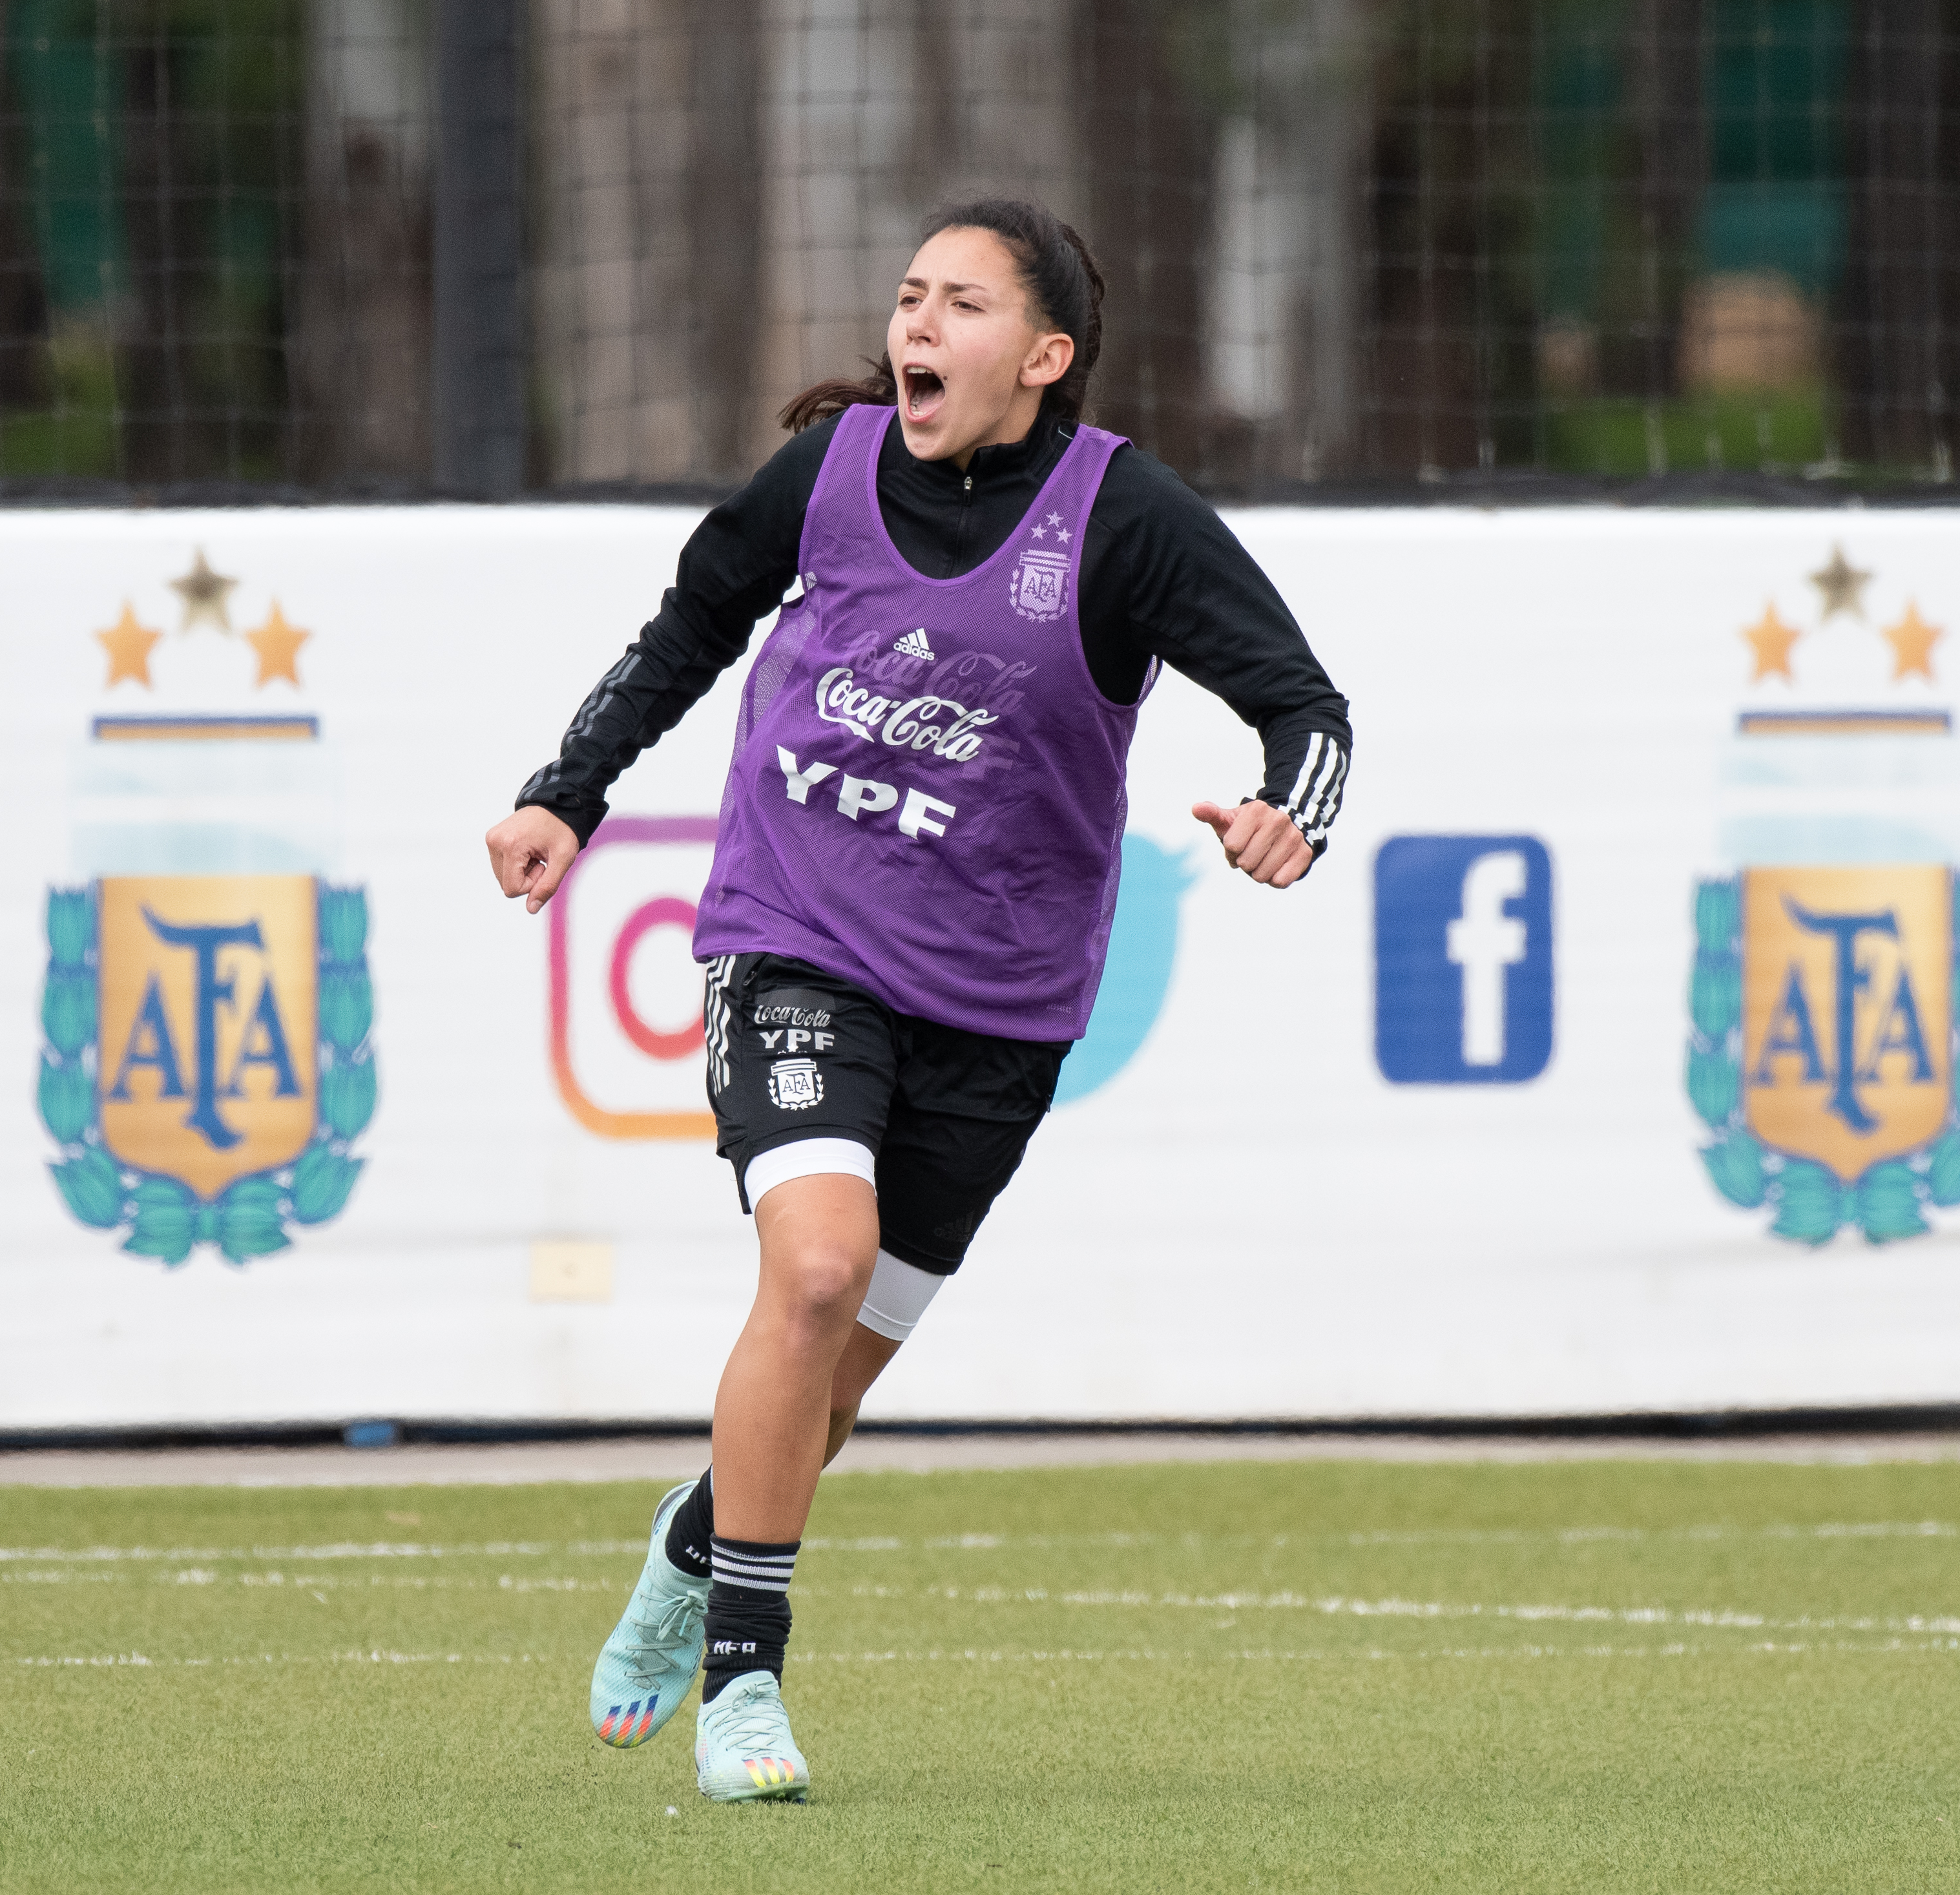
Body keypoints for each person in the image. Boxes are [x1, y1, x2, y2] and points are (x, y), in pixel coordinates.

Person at [485, 198, 1352, 1804]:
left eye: (960, 304)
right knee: (814, 1272)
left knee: (832, 1388)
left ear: (1045, 355)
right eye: (907, 299)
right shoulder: (826, 475)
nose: (916, 328)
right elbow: (691, 625)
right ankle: (745, 1681)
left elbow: (1306, 709)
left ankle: (694, 1545)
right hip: (796, 938)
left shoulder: (1123, 518)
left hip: (1001, 1005)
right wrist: (567, 789)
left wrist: (1286, 814)